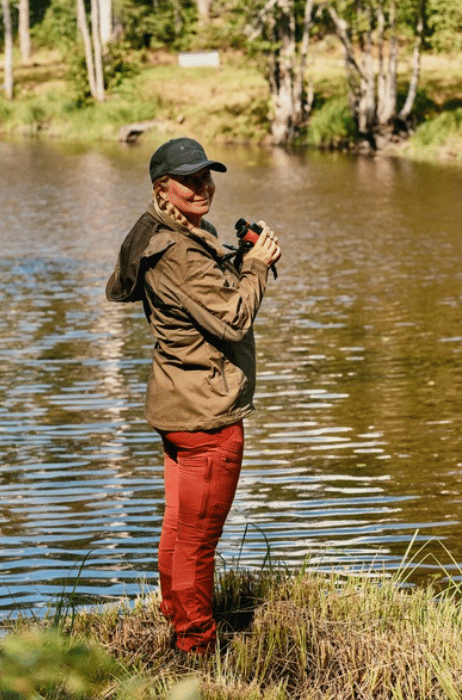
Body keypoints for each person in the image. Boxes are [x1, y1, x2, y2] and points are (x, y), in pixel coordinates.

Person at [105, 137, 281, 654]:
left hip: (177, 404)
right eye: (190, 180)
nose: (203, 186)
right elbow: (233, 317)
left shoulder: (163, 234)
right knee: (198, 542)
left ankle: (174, 615)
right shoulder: (180, 252)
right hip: (207, 415)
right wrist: (256, 267)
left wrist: (237, 258)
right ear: (164, 189)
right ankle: (196, 645)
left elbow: (161, 291)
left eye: (208, 176)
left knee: (179, 527)